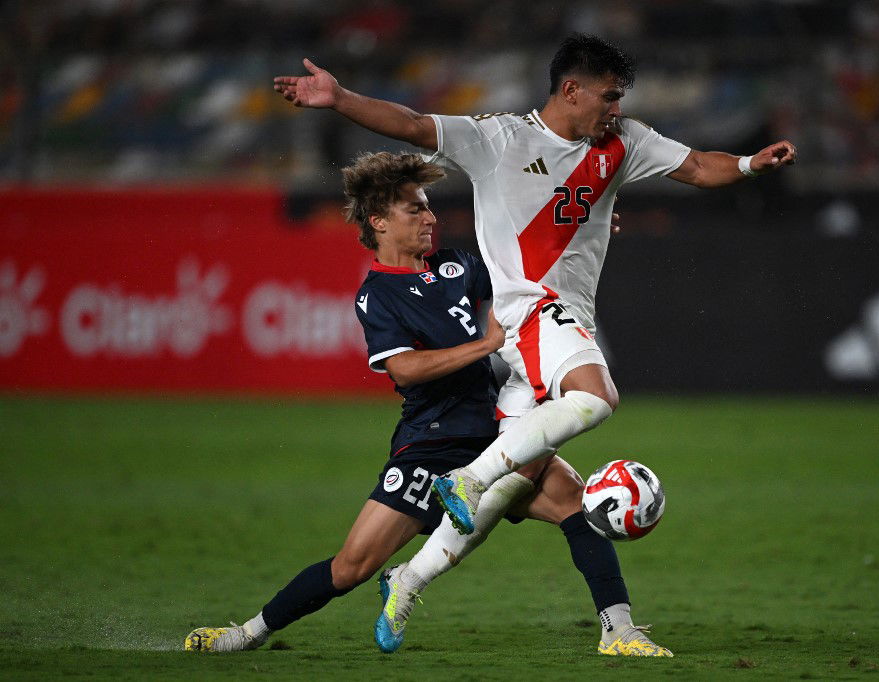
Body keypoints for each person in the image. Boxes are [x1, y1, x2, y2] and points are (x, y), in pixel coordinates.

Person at [273, 33, 797, 539]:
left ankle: (411, 579)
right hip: (534, 318)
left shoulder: (625, 141)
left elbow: (703, 167)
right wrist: (339, 99)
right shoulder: (498, 138)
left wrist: (752, 164)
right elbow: (412, 124)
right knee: (594, 401)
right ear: (571, 91)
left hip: (564, 322)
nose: (615, 109)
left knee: (512, 483)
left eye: (620, 98)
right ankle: (472, 482)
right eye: (609, 96)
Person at [184, 151, 671, 657]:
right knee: (352, 566)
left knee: (572, 500)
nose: (430, 217)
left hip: (493, 431)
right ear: (379, 222)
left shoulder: (456, 265)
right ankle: (246, 633)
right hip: (431, 445)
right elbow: (404, 369)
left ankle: (619, 631)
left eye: (428, 208)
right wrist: (484, 346)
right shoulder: (378, 295)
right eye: (415, 210)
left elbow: (522, 270)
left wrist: (581, 232)